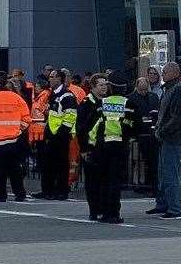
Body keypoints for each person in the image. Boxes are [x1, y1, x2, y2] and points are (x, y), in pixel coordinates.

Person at [77, 74, 128, 223]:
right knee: (93, 181)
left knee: (105, 180)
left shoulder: (108, 102)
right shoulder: (87, 103)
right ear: (93, 87)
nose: (104, 87)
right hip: (91, 146)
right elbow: (81, 127)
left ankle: (105, 209)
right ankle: (95, 210)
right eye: (100, 85)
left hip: (105, 146)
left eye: (105, 84)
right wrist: (84, 148)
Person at [150, 60, 181, 219]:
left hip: (173, 138)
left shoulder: (178, 89)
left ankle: (174, 208)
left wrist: (162, 131)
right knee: (163, 172)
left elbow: (178, 117)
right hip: (167, 137)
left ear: (174, 73)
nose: (163, 74)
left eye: (165, 72)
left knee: (170, 173)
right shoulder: (169, 89)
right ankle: (163, 203)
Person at [41, 69, 78, 201]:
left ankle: (61, 191)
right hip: (51, 132)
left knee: (61, 164)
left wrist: (62, 133)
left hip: (60, 134)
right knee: (48, 163)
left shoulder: (67, 95)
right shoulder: (53, 94)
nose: (49, 79)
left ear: (59, 79)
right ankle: (48, 190)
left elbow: (71, 115)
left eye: (52, 77)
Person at [126, 75, 159, 195]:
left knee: (152, 161)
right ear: (137, 87)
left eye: (146, 89)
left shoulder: (154, 97)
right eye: (141, 90)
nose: (144, 92)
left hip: (152, 132)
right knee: (137, 161)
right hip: (138, 133)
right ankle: (138, 183)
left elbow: (157, 110)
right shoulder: (130, 99)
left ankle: (151, 185)